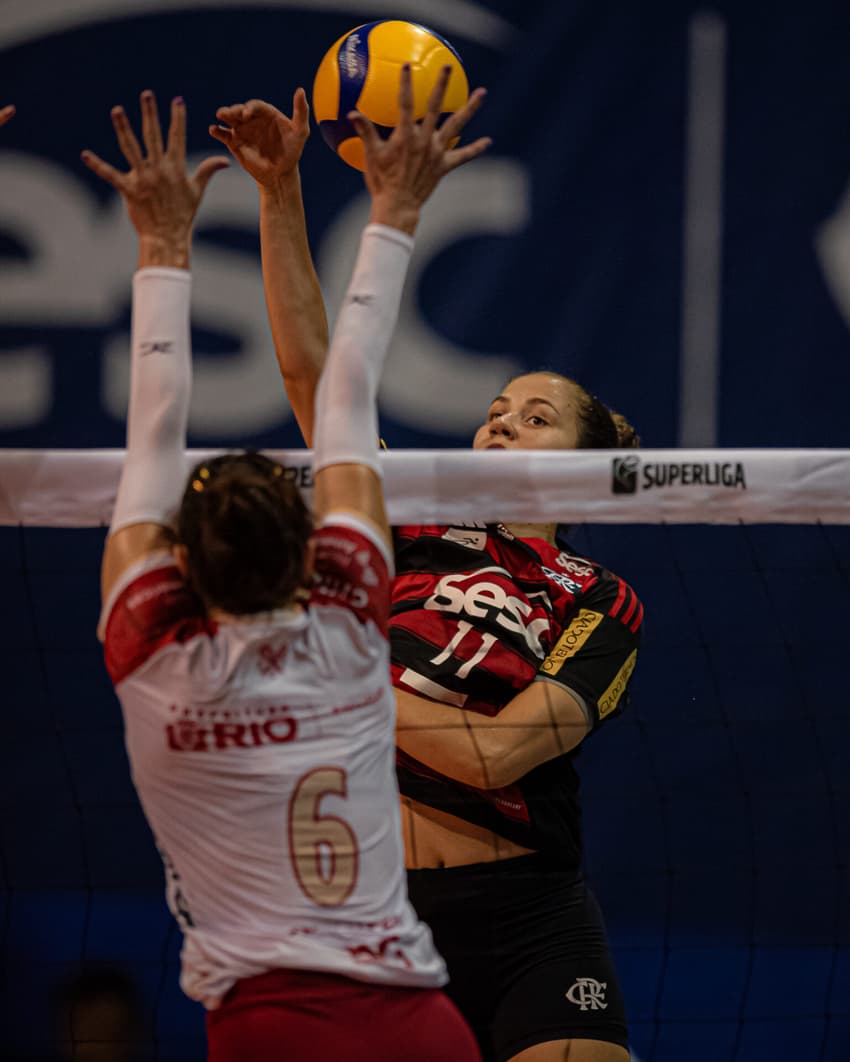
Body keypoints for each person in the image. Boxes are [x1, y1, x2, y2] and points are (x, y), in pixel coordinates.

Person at [215, 80, 642, 1062]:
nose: (501, 423)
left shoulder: (601, 598)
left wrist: (333, 678)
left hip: (531, 913)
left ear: (581, 466)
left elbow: (499, 756)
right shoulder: (404, 520)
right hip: (377, 903)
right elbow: (315, 380)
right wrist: (278, 193)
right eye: (496, 411)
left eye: (535, 417)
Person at [84, 82, 488, 1062]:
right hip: (418, 1025)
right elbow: (340, 394)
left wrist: (161, 243)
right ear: (312, 556)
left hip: (270, 1030)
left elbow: (155, 430)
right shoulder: (348, 622)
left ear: (181, 565)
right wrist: (393, 212)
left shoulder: (157, 656)